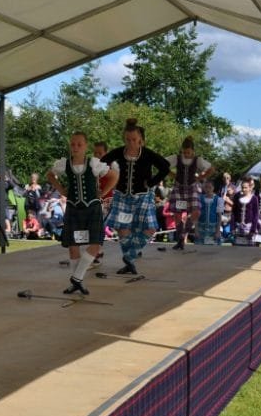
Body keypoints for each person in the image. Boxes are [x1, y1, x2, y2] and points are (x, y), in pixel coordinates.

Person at [48, 132, 117, 294]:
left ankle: (77, 277)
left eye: (79, 144)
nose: (75, 147)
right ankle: (77, 282)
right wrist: (62, 190)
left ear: (86, 146)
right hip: (73, 208)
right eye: (73, 144)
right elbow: (50, 175)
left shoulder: (93, 163)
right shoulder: (64, 164)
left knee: (95, 243)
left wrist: (103, 192)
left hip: (92, 208)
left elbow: (114, 176)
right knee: (73, 246)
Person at [101, 118, 170, 274]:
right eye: (128, 140)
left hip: (143, 196)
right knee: (123, 228)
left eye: (134, 140)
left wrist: (152, 182)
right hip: (123, 197)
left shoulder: (147, 154)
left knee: (151, 228)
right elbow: (102, 163)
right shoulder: (119, 152)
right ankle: (129, 261)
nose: (131, 143)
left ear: (141, 140)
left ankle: (130, 255)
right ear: (124, 139)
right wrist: (111, 176)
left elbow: (165, 167)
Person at [165, 136, 215, 250]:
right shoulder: (176, 158)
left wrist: (201, 177)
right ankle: (180, 240)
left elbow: (212, 169)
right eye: (184, 152)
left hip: (191, 188)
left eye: (188, 152)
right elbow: (162, 164)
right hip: (179, 188)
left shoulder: (198, 160)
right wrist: (172, 175)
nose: (186, 154)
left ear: (193, 151)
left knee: (196, 212)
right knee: (178, 214)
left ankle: (183, 234)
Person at [92, 141, 114, 265]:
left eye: (100, 153)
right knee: (95, 225)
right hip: (96, 201)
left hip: (108, 200)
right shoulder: (91, 166)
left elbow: (115, 181)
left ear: (106, 153)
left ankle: (97, 251)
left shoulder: (110, 166)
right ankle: (96, 251)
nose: (97, 155)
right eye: (95, 153)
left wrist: (103, 192)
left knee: (98, 224)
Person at [231, 176, 259, 246]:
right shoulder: (237, 197)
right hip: (238, 226)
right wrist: (233, 227)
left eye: (245, 187)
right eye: (242, 187)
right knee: (237, 249)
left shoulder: (254, 198)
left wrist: (253, 230)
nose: (243, 189)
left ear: (250, 188)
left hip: (249, 228)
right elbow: (233, 213)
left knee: (249, 251)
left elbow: (256, 215)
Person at [195, 180, 222, 245]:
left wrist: (218, 231)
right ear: (204, 188)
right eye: (206, 187)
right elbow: (196, 215)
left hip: (213, 229)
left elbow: (219, 216)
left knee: (213, 250)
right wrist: (196, 230)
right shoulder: (199, 199)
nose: (208, 189)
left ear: (213, 188)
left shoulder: (219, 199)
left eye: (210, 187)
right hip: (201, 228)